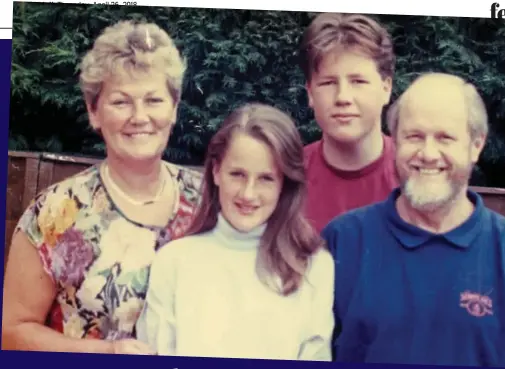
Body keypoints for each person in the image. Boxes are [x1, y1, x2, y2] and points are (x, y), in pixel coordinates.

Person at [2, 20, 201, 354]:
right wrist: (104, 353)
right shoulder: (55, 212)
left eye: (153, 100)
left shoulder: (210, 201)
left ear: (175, 109)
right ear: (94, 112)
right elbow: (10, 332)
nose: (140, 117)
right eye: (121, 102)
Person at [322, 73, 505, 368]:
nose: (428, 153)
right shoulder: (343, 242)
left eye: (445, 138)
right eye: (414, 136)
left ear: (475, 146)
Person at [136, 103, 335, 360]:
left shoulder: (314, 266)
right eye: (237, 174)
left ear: (284, 183)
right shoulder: (174, 262)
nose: (248, 193)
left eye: (266, 178)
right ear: (217, 171)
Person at [299, 13, 399, 233]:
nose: (343, 97)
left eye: (358, 81)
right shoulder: (288, 177)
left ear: (386, 88)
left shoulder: (412, 174)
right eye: (328, 82)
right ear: (310, 93)